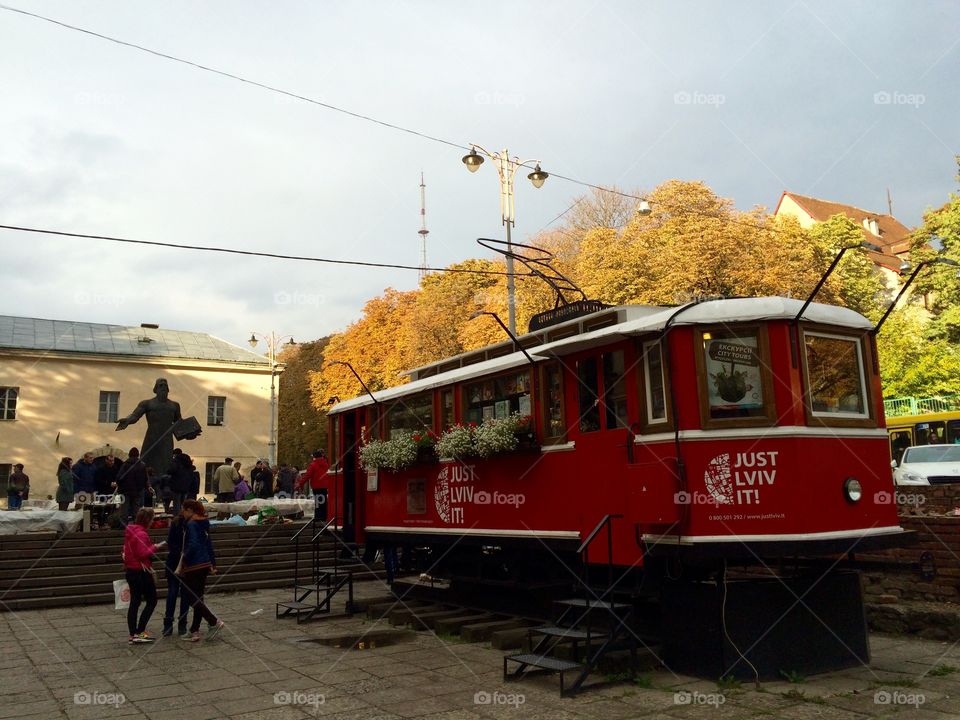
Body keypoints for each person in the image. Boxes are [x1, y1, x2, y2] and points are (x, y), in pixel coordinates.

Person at [116, 378, 200, 479]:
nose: (163, 387)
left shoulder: (174, 405)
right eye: (160, 385)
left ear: (168, 389)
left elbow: (179, 423)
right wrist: (127, 420)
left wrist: (189, 433)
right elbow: (135, 416)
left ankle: (163, 486)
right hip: (151, 438)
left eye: (165, 385)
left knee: (166, 465)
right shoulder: (147, 403)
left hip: (167, 440)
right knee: (146, 462)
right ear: (155, 389)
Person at [178, 500, 225, 642]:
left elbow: (192, 545)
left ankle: (213, 621)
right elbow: (208, 544)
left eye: (184, 510)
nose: (182, 513)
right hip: (204, 563)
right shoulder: (203, 523)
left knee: (192, 598)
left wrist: (184, 559)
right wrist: (212, 563)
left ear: (190, 510)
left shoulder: (192, 524)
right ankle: (195, 629)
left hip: (194, 565)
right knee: (199, 597)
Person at [122, 507, 166, 644]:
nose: (153, 521)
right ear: (147, 519)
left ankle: (132, 633)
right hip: (141, 571)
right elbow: (143, 553)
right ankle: (139, 631)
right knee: (152, 600)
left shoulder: (131, 531)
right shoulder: (141, 534)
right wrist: (156, 546)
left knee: (135, 602)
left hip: (131, 570)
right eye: (152, 519)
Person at [162, 509, 190, 637]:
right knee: (181, 593)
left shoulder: (176, 522)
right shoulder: (186, 523)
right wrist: (183, 554)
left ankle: (169, 624)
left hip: (175, 560)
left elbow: (170, 542)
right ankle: (181, 624)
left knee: (173, 593)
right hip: (180, 561)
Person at [297, 450, 330, 520]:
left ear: (314, 457)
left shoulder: (313, 464)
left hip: (316, 486)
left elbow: (307, 475)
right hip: (325, 486)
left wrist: (300, 483)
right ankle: (325, 516)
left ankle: (318, 516)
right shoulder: (326, 464)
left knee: (318, 502)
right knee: (323, 501)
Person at [117, 448, 148, 522]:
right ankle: (136, 523)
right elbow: (145, 478)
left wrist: (120, 486)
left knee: (124, 508)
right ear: (138, 455)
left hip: (125, 490)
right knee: (136, 508)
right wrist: (141, 487)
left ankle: (123, 525)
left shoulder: (125, 465)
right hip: (137, 490)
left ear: (129, 454)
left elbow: (119, 477)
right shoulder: (142, 465)